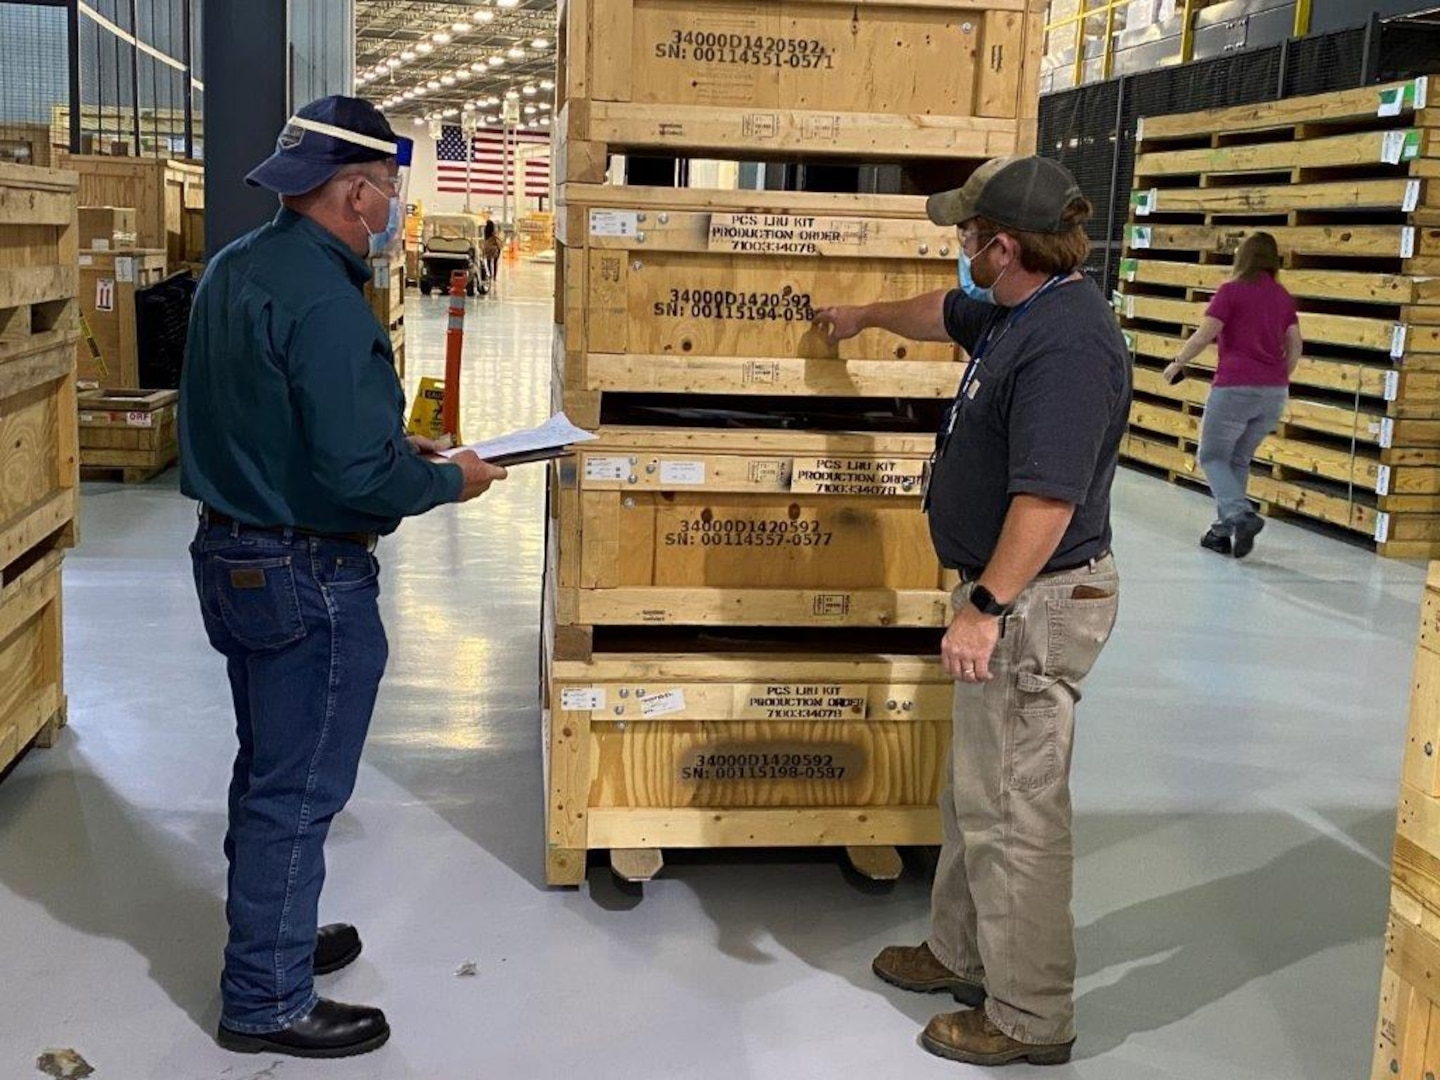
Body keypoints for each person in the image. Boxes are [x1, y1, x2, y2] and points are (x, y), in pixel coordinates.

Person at [179, 96, 507, 1059]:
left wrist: (384, 442)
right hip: (305, 574)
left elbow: (265, 417)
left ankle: (271, 936)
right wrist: (450, 477)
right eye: (391, 191)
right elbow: (361, 479)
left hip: (231, 555)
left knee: (266, 766)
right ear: (356, 192)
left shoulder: (240, 268)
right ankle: (266, 998)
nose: (394, 208)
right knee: (301, 786)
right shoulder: (328, 301)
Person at [814, 156, 1130, 1067]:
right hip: (1005, 597)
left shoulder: (1069, 344)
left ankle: (1031, 1017)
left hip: (1034, 603)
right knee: (978, 794)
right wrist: (864, 318)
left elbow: (1048, 501)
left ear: (1002, 245)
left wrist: (986, 604)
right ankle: (957, 951)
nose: (956, 249)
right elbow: (940, 312)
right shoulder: (1018, 311)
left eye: (966, 236)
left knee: (1019, 813)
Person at [1164, 232, 1302, 558]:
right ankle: (1223, 531)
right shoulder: (1282, 296)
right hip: (1273, 392)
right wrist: (1281, 375)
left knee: (1211, 456)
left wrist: (1177, 363)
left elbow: (1204, 335)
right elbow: (1295, 344)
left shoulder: (1231, 291)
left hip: (1235, 388)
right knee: (1237, 459)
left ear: (1244, 257)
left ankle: (1240, 514)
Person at [482, 219, 502, 287]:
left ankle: (490, 274)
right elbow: (497, 240)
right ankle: (494, 277)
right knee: (495, 263)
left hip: (487, 248)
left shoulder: (485, 231)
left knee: (488, 261)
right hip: (494, 248)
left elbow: (485, 240)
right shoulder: (494, 232)